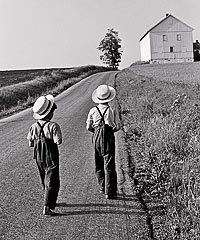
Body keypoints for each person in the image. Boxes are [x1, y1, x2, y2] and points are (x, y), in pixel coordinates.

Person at [27, 94, 62, 215]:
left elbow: (30, 143)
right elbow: (58, 141)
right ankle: (48, 205)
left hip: (38, 156)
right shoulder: (53, 126)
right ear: (50, 113)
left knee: (44, 177)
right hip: (51, 156)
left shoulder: (33, 127)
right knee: (53, 180)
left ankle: (48, 197)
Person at [86, 84, 120, 199]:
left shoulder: (92, 110)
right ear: (109, 97)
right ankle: (109, 191)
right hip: (108, 137)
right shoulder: (111, 110)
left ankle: (102, 186)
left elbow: (88, 127)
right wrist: (111, 131)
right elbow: (116, 126)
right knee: (109, 164)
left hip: (96, 137)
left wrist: (96, 132)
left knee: (98, 163)